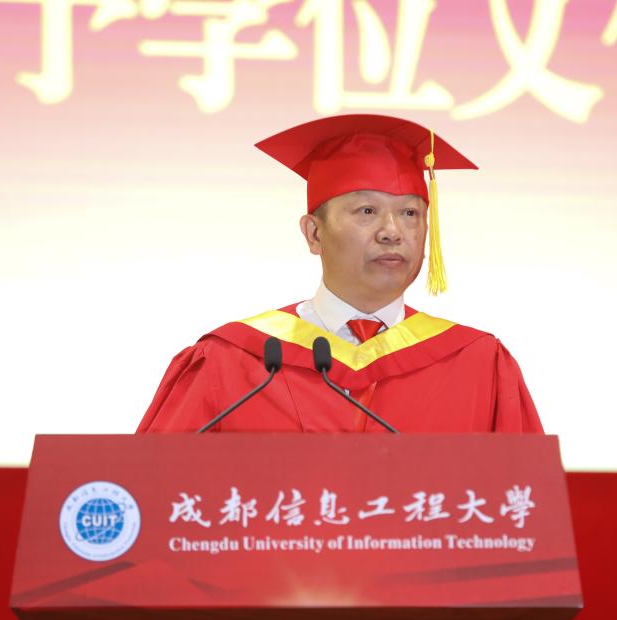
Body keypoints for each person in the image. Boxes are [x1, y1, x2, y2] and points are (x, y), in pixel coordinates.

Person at [137, 114, 543, 434]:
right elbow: (154, 492)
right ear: (314, 234)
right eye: (367, 211)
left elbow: (525, 502)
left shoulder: (477, 363)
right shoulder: (231, 360)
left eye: (409, 213)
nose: (392, 231)